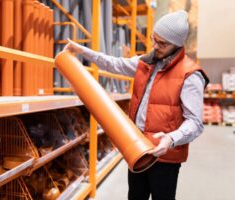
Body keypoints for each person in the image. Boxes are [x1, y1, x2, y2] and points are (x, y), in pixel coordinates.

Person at [64, 10, 209, 200]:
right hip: (138, 150)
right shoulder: (145, 63)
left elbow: (195, 123)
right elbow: (114, 63)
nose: (155, 46)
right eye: (153, 39)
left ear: (177, 44)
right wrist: (83, 51)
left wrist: (170, 139)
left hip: (164, 157)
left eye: (162, 43)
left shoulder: (190, 75)